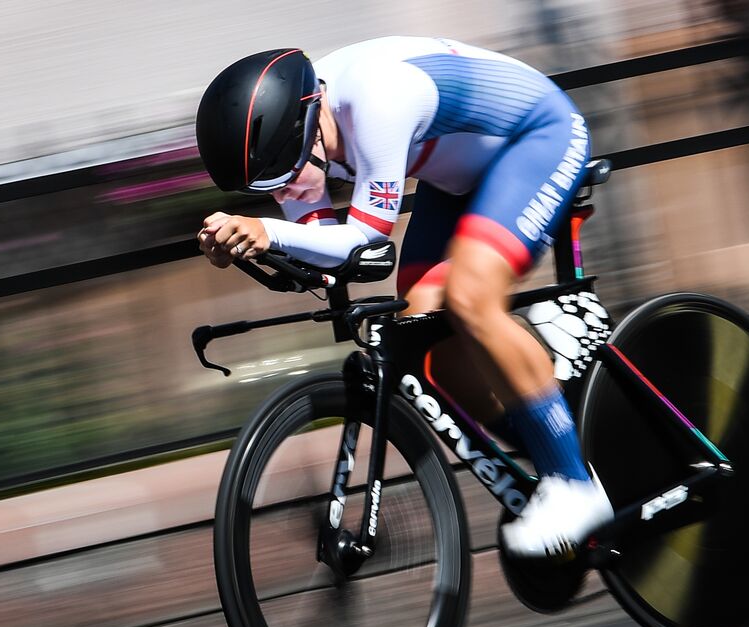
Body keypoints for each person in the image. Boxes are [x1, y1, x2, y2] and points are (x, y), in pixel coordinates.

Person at [194, 37, 612, 558]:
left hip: (538, 137)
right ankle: (553, 440)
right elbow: (324, 250)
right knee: (421, 328)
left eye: (287, 167)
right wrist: (242, 247)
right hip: (459, 174)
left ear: (303, 124)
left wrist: (267, 232)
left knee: (470, 297)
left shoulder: (377, 98)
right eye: (272, 181)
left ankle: (574, 485)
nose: (290, 181)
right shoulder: (295, 129)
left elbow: (365, 238)